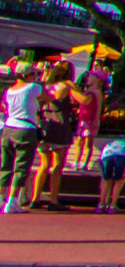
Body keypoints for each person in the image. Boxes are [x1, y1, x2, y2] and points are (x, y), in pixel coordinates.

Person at [31, 59, 77, 210]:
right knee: (57, 165)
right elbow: (83, 100)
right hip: (60, 125)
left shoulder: (45, 86)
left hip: (45, 124)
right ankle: (53, 199)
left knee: (43, 164)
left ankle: (35, 198)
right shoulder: (65, 86)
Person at [1, 63, 44, 214]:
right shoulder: (32, 88)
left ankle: (1, 198)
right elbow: (49, 95)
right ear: (27, 75)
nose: (35, 77)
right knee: (21, 167)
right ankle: (12, 201)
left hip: (8, 127)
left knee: (5, 165)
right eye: (33, 74)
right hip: (25, 129)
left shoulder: (9, 91)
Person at [70, 69, 106, 171]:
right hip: (83, 119)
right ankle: (76, 161)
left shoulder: (97, 92)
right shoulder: (87, 91)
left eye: (91, 77)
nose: (88, 79)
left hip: (90, 120)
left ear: (97, 80)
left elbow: (98, 107)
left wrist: (96, 119)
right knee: (79, 141)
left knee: (88, 143)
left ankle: (85, 163)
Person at [96, 135, 125, 213]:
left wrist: (103, 175)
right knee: (118, 181)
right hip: (122, 155)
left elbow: (100, 160)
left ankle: (101, 205)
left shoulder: (110, 143)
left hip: (107, 155)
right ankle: (113, 206)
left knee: (106, 181)